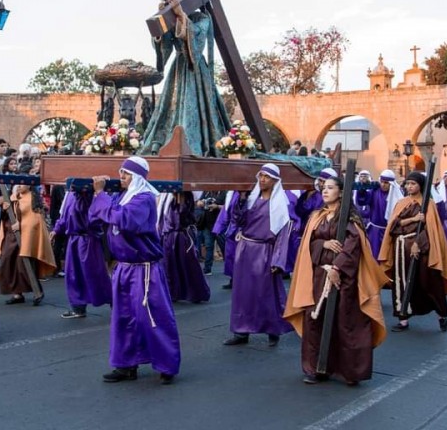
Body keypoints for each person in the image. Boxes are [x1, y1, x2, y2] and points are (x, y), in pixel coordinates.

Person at [284, 175, 388, 385]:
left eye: (330, 188)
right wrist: (323, 244)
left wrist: (337, 269)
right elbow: (307, 244)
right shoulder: (317, 216)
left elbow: (353, 245)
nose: (325, 191)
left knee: (345, 322)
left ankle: (351, 372)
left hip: (343, 280)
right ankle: (317, 368)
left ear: (341, 192)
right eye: (324, 187)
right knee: (316, 321)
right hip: (319, 275)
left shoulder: (349, 219)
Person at [88, 156, 181, 385]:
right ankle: (126, 364)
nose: (121, 176)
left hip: (144, 270)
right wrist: (92, 196)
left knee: (152, 317)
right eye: (120, 172)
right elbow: (96, 217)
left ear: (137, 177)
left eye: (126, 173)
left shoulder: (144, 199)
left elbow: (123, 220)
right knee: (124, 319)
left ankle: (166, 364)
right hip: (123, 268)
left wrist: (101, 196)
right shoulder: (120, 196)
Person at [140, 0, 231, 157]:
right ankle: (164, 142)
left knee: (195, 102)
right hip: (178, 67)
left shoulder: (201, 18)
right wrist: (161, 25)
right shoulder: (172, 20)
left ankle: (194, 142)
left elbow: (198, 37)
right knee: (171, 106)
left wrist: (181, 14)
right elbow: (164, 45)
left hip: (195, 68)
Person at [223, 163, 293, 348]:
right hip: (245, 250)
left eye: (266, 176)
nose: (262, 179)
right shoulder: (251, 200)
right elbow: (237, 220)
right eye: (260, 176)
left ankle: (272, 329)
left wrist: (278, 260)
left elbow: (283, 235)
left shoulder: (279, 205)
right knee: (242, 293)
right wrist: (241, 200)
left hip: (265, 252)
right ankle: (241, 331)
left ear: (275, 180)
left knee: (266, 294)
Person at [378, 172, 447, 333]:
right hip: (400, 248)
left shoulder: (429, 204)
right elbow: (394, 226)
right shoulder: (401, 203)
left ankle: (441, 316)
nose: (409, 187)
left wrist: (417, 244)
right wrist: (413, 220)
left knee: (428, 281)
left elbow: (432, 230)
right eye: (407, 184)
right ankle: (403, 318)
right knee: (401, 282)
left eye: (412, 184)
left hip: (422, 250)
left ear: (420, 185)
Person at [52, 189, 112, 319]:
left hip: (88, 239)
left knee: (95, 274)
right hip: (74, 239)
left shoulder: (90, 195)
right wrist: (57, 229)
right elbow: (65, 215)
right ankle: (78, 307)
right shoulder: (70, 194)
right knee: (73, 274)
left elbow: (93, 218)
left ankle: (115, 301)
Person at [0, 186, 55, 305]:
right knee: (9, 262)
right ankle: (17, 294)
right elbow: (5, 217)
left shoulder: (33, 198)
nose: (20, 186)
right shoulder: (12, 197)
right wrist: (5, 209)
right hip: (11, 235)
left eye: (22, 184)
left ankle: (37, 291)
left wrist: (21, 225)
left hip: (26, 236)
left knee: (24, 264)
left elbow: (35, 219)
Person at [157, 192, 211, 304]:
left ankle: (196, 293)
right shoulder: (163, 195)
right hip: (167, 235)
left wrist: (179, 200)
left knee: (188, 264)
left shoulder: (185, 196)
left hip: (181, 235)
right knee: (169, 265)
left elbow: (181, 216)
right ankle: (172, 293)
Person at [363, 169, 403, 259]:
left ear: (391, 184)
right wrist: (362, 191)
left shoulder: (397, 196)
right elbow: (364, 199)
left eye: (386, 183)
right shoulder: (374, 192)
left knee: (388, 256)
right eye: (382, 182)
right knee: (374, 255)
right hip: (375, 232)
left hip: (390, 231)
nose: (383, 185)